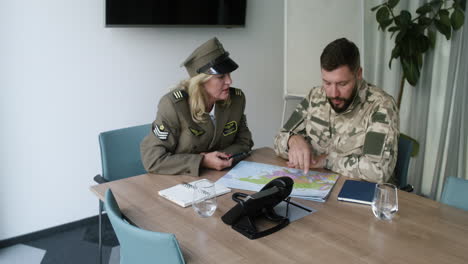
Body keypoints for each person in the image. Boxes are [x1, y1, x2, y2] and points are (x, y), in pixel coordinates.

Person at [274, 38, 399, 183]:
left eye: (342, 84)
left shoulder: (380, 106)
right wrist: (293, 140)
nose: (333, 93)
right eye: (327, 83)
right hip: (315, 187)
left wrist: (327, 161)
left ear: (358, 74)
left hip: (357, 197)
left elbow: (378, 171)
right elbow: (278, 139)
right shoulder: (315, 96)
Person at [141, 37, 254, 176]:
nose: (229, 81)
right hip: (179, 182)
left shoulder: (237, 99)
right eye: (221, 77)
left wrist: (218, 158)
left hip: (221, 177)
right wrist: (202, 161)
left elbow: (245, 143)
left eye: (229, 74)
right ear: (200, 82)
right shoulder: (174, 106)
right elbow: (152, 160)